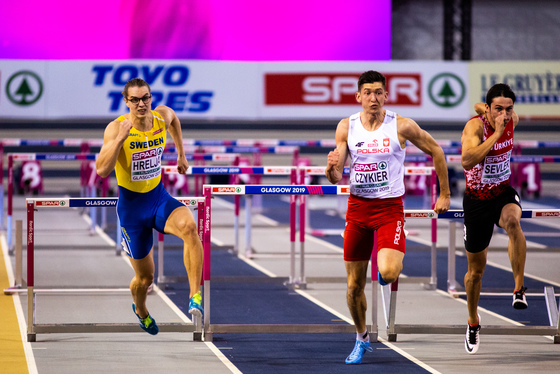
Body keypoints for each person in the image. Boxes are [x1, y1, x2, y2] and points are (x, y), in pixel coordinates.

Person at [325, 70, 451, 364]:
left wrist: (444, 194)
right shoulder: (347, 127)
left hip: (389, 210)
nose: (373, 97)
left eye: (379, 92)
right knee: (353, 286)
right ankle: (361, 338)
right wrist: (330, 168)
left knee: (389, 272)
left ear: (386, 96)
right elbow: (335, 177)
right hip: (357, 209)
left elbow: (436, 151)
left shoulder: (401, 126)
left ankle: (386, 258)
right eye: (367, 92)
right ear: (358, 97)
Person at [96, 78, 204, 335]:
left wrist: (181, 153)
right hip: (132, 210)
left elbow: (175, 119)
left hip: (158, 198)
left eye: (145, 98)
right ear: (126, 101)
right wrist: (119, 140)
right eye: (135, 100)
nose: (141, 104)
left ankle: (195, 297)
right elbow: (101, 170)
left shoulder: (160, 118)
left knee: (189, 227)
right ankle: (141, 310)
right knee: (145, 279)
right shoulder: (116, 128)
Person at [462, 83, 527, 354]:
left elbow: (492, 108)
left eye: (508, 109)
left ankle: (519, 289)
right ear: (487, 109)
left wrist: (501, 118)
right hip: (477, 200)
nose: (504, 114)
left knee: (513, 222)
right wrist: (496, 133)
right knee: (475, 273)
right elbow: (467, 160)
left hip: (502, 193)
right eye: (497, 109)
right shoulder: (475, 127)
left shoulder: (513, 119)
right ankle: (473, 321)